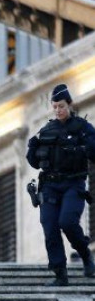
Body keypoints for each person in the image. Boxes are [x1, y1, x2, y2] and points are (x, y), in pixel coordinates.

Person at [26, 83, 95, 286]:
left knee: (68, 222)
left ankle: (85, 255)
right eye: (55, 106)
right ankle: (60, 273)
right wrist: (32, 146)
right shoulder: (46, 130)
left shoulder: (83, 128)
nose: (58, 110)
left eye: (61, 106)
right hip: (49, 186)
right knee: (49, 227)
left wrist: (85, 146)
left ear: (70, 105)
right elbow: (34, 162)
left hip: (74, 183)